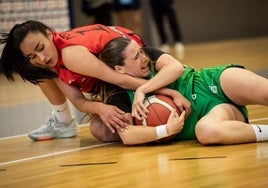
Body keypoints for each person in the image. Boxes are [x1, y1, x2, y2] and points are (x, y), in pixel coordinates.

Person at [0, 20, 191, 143]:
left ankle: (162, 117)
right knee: (100, 130)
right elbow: (77, 101)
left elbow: (121, 80)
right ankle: (62, 121)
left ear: (49, 34)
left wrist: (167, 91)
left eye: (40, 48)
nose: (40, 58)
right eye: (31, 56)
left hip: (135, 62)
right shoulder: (53, 58)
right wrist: (100, 108)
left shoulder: (70, 54)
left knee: (118, 128)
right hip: (118, 74)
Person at [98, 37, 268, 145]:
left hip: (208, 82)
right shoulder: (118, 94)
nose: (143, 57)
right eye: (136, 57)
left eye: (141, 51)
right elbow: (127, 135)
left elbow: (176, 68)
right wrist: (166, 130)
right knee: (206, 131)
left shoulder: (149, 56)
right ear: (119, 70)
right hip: (208, 114)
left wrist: (142, 89)